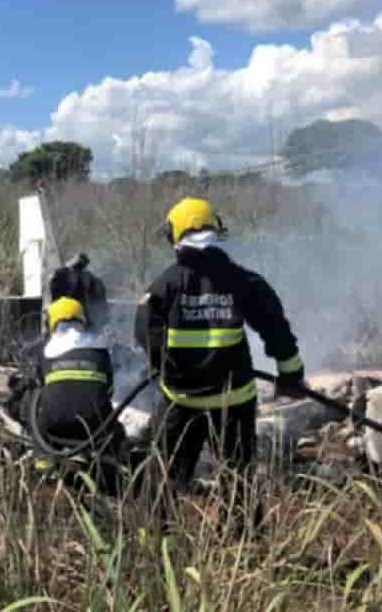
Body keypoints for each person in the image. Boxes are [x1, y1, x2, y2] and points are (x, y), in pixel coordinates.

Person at [133, 196, 308, 536]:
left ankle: (155, 542)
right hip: (233, 400)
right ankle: (242, 544)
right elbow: (277, 331)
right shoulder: (245, 282)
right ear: (218, 231)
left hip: (181, 402)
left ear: (175, 237)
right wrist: (291, 375)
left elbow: (145, 336)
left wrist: (165, 369)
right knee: (238, 476)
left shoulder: (162, 287)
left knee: (164, 477)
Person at [5, 297, 128, 497]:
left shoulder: (46, 351)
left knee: (33, 396)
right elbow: (109, 390)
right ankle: (109, 464)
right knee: (113, 426)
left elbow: (39, 386)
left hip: (53, 427)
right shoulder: (101, 351)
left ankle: (42, 458)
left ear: (52, 322)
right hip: (94, 429)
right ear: (82, 321)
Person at [49, 252, 110, 329]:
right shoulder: (61, 274)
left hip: (75, 314)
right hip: (66, 312)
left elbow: (98, 293)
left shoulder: (87, 277)